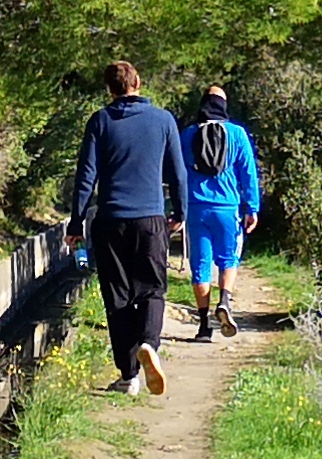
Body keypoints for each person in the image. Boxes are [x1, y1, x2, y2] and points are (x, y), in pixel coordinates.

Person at [67, 60, 187, 396]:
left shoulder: (100, 121)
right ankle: (149, 343)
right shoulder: (163, 120)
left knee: (117, 297)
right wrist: (180, 211)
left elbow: (85, 177)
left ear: (110, 89)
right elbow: (178, 173)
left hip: (110, 221)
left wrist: (76, 223)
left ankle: (128, 376)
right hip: (150, 220)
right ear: (138, 82)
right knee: (151, 290)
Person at [181, 84, 262, 341]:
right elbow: (248, 173)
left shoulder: (188, 134)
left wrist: (176, 208)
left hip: (196, 208)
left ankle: (203, 326)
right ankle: (225, 301)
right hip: (227, 208)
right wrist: (252, 207)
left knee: (200, 266)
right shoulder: (238, 134)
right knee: (229, 260)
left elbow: (177, 172)